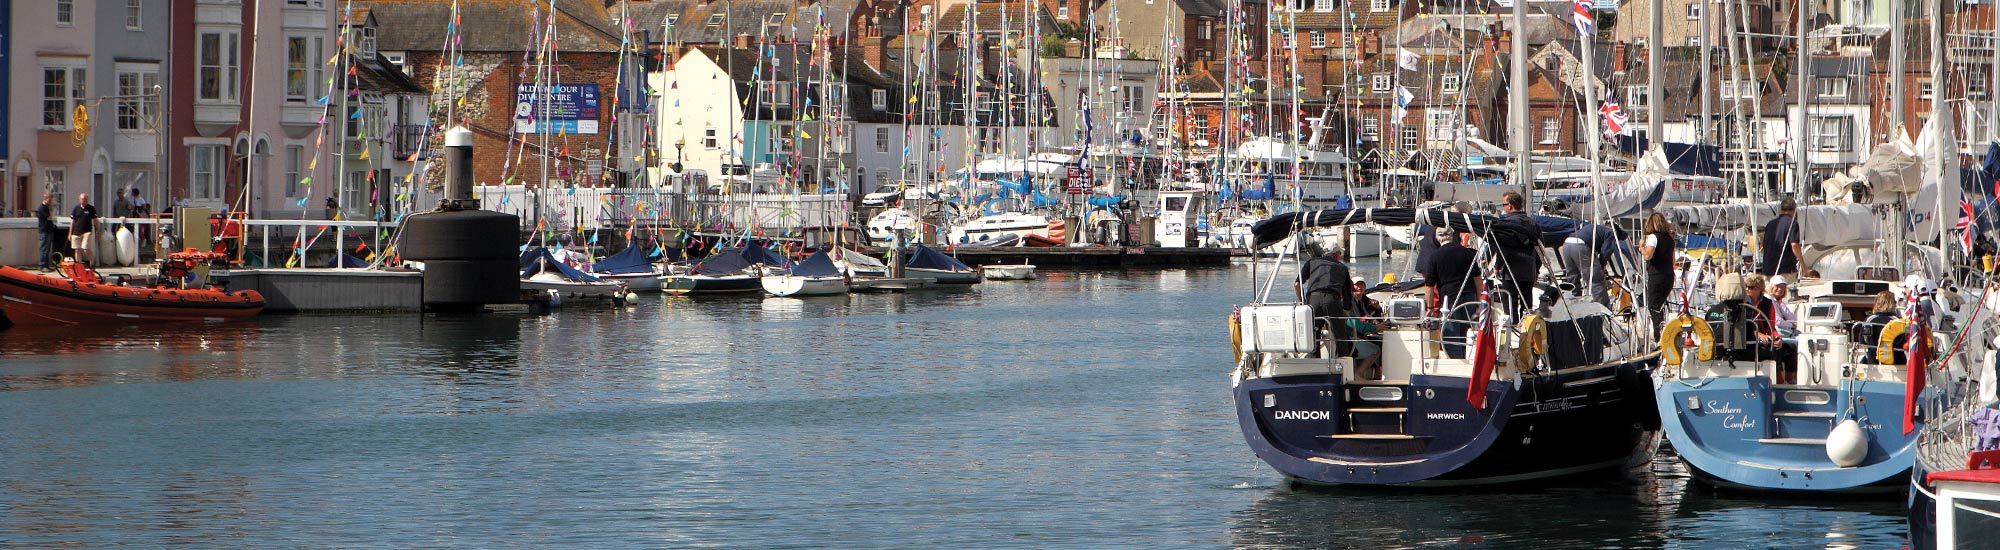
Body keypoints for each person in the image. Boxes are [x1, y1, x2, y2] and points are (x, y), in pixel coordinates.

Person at [1423, 227, 1483, 359]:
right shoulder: (1467, 253)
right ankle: (1467, 358)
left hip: (1450, 298)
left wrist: (1430, 308)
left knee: (1451, 333)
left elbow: (1429, 286)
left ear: (1438, 238)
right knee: (1466, 331)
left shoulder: (1434, 256)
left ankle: (1457, 362)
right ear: (1452, 236)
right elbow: (1478, 279)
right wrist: (1479, 301)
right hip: (1469, 297)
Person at [1295, 239, 1356, 358]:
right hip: (1332, 299)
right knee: (1340, 335)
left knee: (1313, 335)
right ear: (1336, 254)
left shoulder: (1311, 262)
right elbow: (1347, 294)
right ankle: (1342, 365)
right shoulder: (1342, 268)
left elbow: (1297, 284)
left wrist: (1303, 301)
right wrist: (1346, 311)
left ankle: (1314, 365)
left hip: (1313, 300)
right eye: (1340, 254)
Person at [1495, 191, 1544, 316]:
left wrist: (1497, 266)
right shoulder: (1532, 223)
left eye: (1504, 204)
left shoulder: (1505, 223)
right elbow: (1540, 248)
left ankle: (1512, 329)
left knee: (1510, 305)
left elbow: (1502, 247)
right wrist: (1537, 269)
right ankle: (1526, 330)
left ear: (1510, 206)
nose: (1504, 207)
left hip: (1510, 269)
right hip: (1529, 269)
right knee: (1526, 304)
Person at [1743, 275, 1797, 383]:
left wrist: (1777, 338)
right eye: (1746, 287)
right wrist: (1760, 335)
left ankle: (1791, 382)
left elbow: (1771, 326)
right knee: (1772, 351)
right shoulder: (1743, 304)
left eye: (1751, 287)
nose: (1748, 289)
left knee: (1790, 348)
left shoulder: (1768, 304)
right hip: (1750, 339)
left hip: (1765, 337)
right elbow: (1745, 327)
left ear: (1759, 289)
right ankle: (1778, 381)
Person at [1640, 213, 1678, 326]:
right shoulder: (1670, 239)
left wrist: (1642, 247)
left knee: (1653, 307)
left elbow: (1647, 256)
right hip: (1669, 276)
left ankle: (1659, 335)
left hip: (1657, 276)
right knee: (1660, 306)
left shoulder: (1653, 237)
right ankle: (1663, 331)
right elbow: (1672, 260)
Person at [1851, 291, 1905, 365]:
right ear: (1892, 303)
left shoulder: (1869, 320)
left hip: (1872, 361)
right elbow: (1902, 342)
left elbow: (1863, 341)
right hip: (1896, 362)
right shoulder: (1897, 321)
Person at [1759, 198, 1805, 280]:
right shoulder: (1792, 223)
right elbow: (1794, 245)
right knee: (1786, 292)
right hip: (1785, 270)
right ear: (1794, 209)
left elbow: (1764, 245)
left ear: (1781, 209)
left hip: (1768, 269)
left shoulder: (1770, 224)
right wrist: (1803, 266)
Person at [69, 193, 98, 266]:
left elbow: (95, 220)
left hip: (86, 231)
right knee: (77, 249)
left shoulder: (91, 208)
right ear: (80, 200)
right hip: (76, 232)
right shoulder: (76, 208)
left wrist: (97, 231)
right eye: (82, 199)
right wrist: (70, 233)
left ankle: (92, 263)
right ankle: (79, 266)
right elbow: (72, 222)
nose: (84, 201)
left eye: (85, 200)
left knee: (85, 248)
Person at [34, 193, 58, 271]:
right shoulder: (42, 208)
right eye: (50, 200)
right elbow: (49, 217)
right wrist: (51, 209)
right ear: (46, 199)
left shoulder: (46, 208)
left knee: (47, 249)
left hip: (49, 230)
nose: (51, 202)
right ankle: (42, 265)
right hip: (44, 231)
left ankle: (47, 265)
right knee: (44, 248)